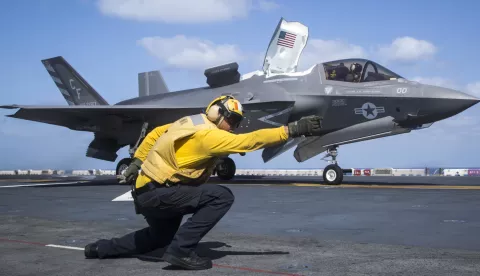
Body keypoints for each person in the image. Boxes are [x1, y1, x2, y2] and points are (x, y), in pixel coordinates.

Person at [84, 95, 322, 270]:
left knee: (159, 238)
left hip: (149, 191)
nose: (234, 126)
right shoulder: (209, 135)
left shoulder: (190, 121)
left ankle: (99, 249)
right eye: (232, 120)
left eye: (237, 122)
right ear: (218, 114)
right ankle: (181, 251)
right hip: (159, 194)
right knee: (221, 196)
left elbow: (156, 133)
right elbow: (249, 142)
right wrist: (290, 130)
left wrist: (137, 161)